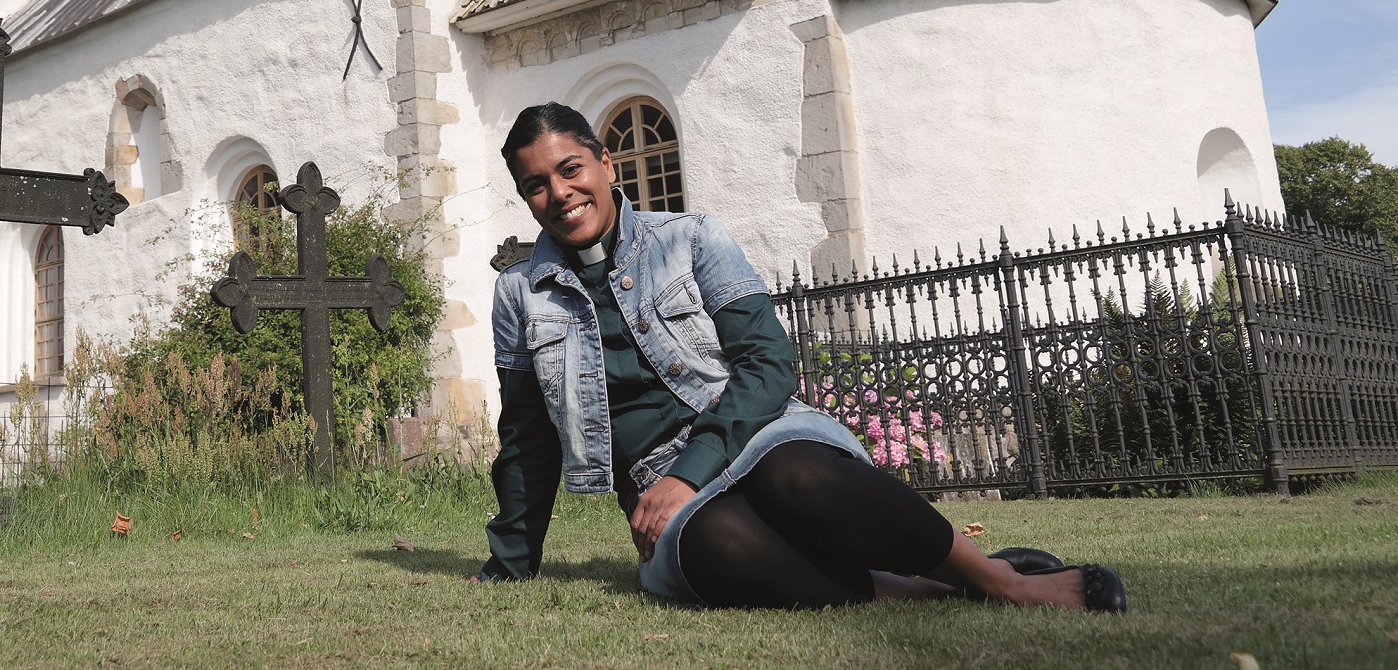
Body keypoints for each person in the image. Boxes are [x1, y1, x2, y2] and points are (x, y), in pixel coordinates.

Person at [473, 102, 1125, 612]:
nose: (559, 193)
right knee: (719, 546)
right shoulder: (520, 293)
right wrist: (510, 564)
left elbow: (767, 364)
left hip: (761, 432)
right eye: (536, 185)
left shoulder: (691, 238)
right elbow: (528, 441)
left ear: (606, 163)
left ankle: (1001, 580)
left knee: (803, 481)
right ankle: (922, 591)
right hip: (655, 483)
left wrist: (692, 468)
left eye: (570, 170)